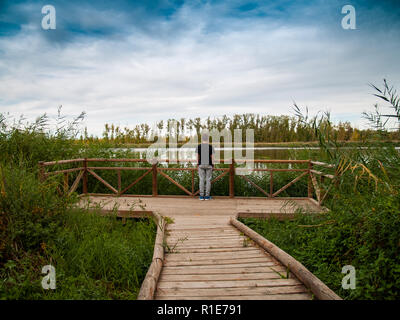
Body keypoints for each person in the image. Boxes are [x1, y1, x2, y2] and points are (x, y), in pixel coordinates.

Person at [197, 132, 215, 200]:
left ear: (202, 139)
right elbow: (212, 157)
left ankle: (201, 196)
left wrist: (197, 164)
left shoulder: (199, 146)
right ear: (207, 139)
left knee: (201, 180)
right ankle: (207, 196)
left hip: (201, 164)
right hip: (209, 164)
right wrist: (213, 164)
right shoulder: (210, 147)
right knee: (208, 180)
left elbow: (197, 157)